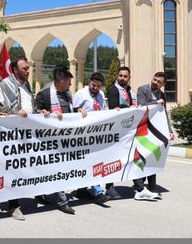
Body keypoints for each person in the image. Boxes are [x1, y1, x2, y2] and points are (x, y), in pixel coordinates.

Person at [35, 65, 87, 215]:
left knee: (59, 169)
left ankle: (43, 194)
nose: (71, 84)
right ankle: (62, 201)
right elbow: (35, 113)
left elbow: (70, 110)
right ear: (62, 81)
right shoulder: (44, 94)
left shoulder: (67, 93)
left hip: (66, 138)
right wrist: (45, 113)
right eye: (69, 81)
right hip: (49, 140)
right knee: (57, 169)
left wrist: (78, 111)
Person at [0, 58, 34, 221]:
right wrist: (14, 112)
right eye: (24, 68)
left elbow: (29, 105)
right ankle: (13, 205)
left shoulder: (26, 84)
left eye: (28, 68)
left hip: (27, 133)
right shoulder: (4, 85)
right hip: (12, 134)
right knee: (13, 169)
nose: (28, 71)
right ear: (14, 69)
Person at [133, 71, 175, 201]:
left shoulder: (162, 95)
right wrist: (156, 103)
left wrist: (169, 130)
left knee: (154, 156)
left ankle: (152, 187)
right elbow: (141, 106)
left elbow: (164, 113)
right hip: (141, 129)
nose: (155, 82)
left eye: (158, 82)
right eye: (154, 79)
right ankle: (139, 187)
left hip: (154, 131)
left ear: (162, 84)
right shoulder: (142, 89)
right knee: (139, 157)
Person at [72, 72, 112, 206]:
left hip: (97, 135)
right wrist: (78, 111)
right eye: (94, 85)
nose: (95, 88)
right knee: (91, 162)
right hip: (83, 134)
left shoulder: (100, 95)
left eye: (98, 86)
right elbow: (71, 111)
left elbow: (104, 110)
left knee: (92, 162)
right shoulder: (80, 94)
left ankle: (81, 190)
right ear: (89, 81)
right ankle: (98, 193)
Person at [105, 66, 134, 199]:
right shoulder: (113, 90)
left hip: (127, 129)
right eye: (120, 76)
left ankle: (139, 186)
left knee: (131, 157)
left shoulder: (129, 90)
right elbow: (114, 107)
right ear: (117, 76)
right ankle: (109, 188)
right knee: (112, 159)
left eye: (125, 76)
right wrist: (128, 108)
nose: (122, 78)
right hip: (116, 131)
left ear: (129, 78)